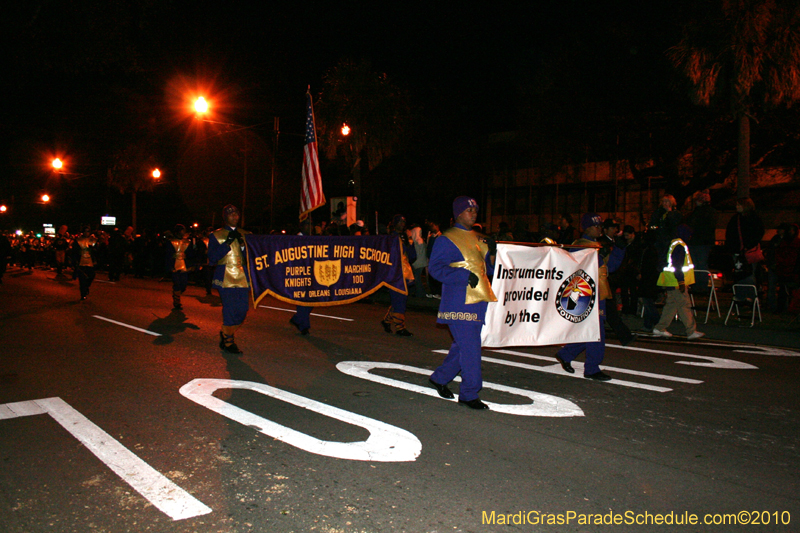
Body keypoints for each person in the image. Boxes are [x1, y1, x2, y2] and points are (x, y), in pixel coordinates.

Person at [429, 196, 497, 409]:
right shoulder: (446, 238)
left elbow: (489, 270)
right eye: (469, 210)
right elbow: (436, 268)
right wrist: (462, 275)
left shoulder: (480, 238)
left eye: (475, 209)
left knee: (464, 346)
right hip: (459, 301)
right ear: (458, 213)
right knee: (471, 349)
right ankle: (469, 393)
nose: (473, 213)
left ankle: (439, 378)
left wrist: (497, 257)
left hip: (479, 300)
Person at [554, 213, 624, 381]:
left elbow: (609, 268)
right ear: (587, 227)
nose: (599, 229)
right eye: (596, 226)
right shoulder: (580, 246)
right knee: (596, 330)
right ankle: (592, 367)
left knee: (591, 329)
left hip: (598, 291)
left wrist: (619, 250)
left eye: (600, 226)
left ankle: (566, 353)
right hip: (586, 292)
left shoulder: (597, 245)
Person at [208, 205, 251, 354]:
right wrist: (226, 244)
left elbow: (253, 258)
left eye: (237, 213)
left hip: (243, 277)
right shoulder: (216, 235)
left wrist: (244, 248)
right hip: (225, 276)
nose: (235, 216)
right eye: (231, 214)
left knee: (243, 309)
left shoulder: (246, 234)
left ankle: (226, 332)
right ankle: (228, 341)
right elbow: (212, 259)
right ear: (225, 217)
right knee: (230, 309)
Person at [652, 224, 704, 339]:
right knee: (684, 305)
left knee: (671, 306)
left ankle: (659, 328)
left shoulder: (673, 243)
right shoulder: (680, 245)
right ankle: (691, 331)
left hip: (671, 281)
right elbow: (678, 265)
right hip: (677, 282)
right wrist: (681, 281)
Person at [381, 214, 416, 336]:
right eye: (400, 221)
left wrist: (409, 243)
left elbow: (412, 256)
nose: (402, 224)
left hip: (405, 272)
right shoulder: (390, 238)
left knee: (400, 299)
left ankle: (386, 321)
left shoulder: (405, 237)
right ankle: (400, 328)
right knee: (399, 300)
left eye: (404, 221)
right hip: (394, 273)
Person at [725, 197, 765, 285]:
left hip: (749, 251)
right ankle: (742, 294)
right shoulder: (736, 219)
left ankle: (748, 294)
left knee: (748, 273)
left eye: (739, 204)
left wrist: (749, 245)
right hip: (738, 251)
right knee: (740, 273)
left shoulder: (754, 219)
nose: (737, 206)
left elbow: (758, 233)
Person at [685, 190, 717, 293]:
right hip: (703, 242)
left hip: (698, 242)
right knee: (701, 264)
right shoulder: (710, 212)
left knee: (698, 264)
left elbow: (692, 224)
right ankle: (701, 285)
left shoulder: (697, 212)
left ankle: (698, 285)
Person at [166, 224, 192, 310]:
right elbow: (168, 255)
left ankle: (177, 294)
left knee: (184, 284)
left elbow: (190, 255)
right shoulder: (171, 242)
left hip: (184, 265)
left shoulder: (187, 242)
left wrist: (191, 265)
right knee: (177, 283)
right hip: (175, 265)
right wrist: (170, 266)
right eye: (182, 230)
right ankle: (177, 302)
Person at [71, 225, 97, 301]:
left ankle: (86, 287)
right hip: (81, 262)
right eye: (85, 231)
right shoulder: (78, 241)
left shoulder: (93, 240)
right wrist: (74, 262)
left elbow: (97, 252)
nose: (86, 233)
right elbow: (74, 252)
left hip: (90, 262)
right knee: (82, 279)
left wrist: (93, 249)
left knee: (91, 276)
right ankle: (83, 294)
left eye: (88, 231)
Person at [409, 225, 428, 298]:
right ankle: (420, 293)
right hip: (422, 262)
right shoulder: (421, 240)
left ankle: (420, 294)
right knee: (418, 278)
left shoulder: (417, 241)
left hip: (418, 263)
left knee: (417, 279)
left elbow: (417, 254)